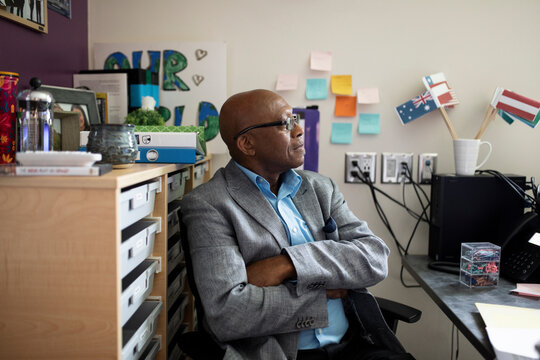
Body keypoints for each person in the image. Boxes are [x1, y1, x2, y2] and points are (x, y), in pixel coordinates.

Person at [180, 89, 414, 360]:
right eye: (286, 123)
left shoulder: (320, 188)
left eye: (296, 120)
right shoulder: (209, 204)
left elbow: (374, 257)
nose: (300, 130)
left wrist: (287, 265)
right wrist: (324, 293)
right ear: (247, 144)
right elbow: (229, 314)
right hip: (278, 354)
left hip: (356, 343)